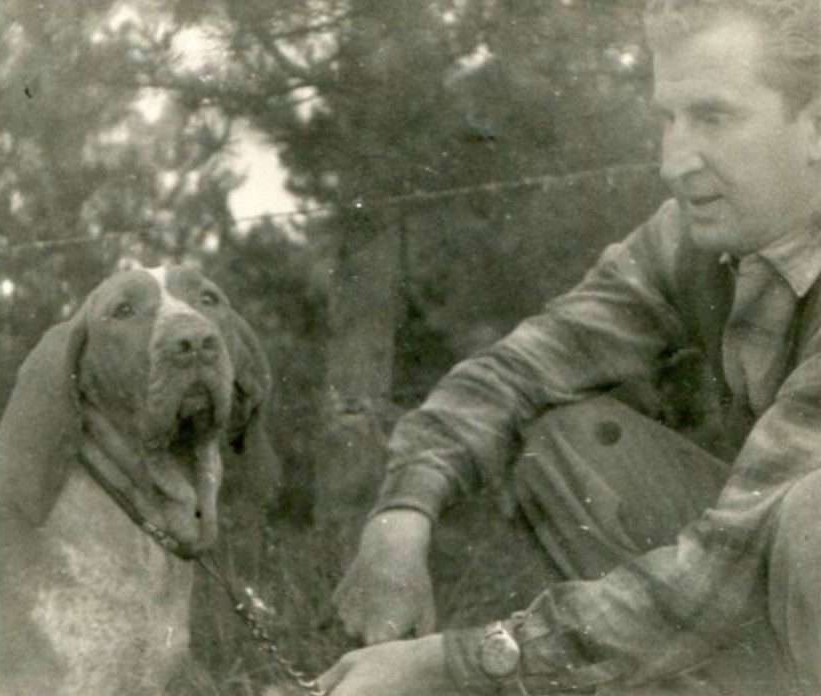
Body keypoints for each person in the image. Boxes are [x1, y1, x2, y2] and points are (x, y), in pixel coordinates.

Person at [317, 1, 821, 694]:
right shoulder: (694, 239)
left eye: (713, 117)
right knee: (568, 440)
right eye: (666, 120)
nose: (674, 161)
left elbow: (725, 569)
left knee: (810, 515)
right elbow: (522, 367)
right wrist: (402, 513)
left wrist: (458, 664)